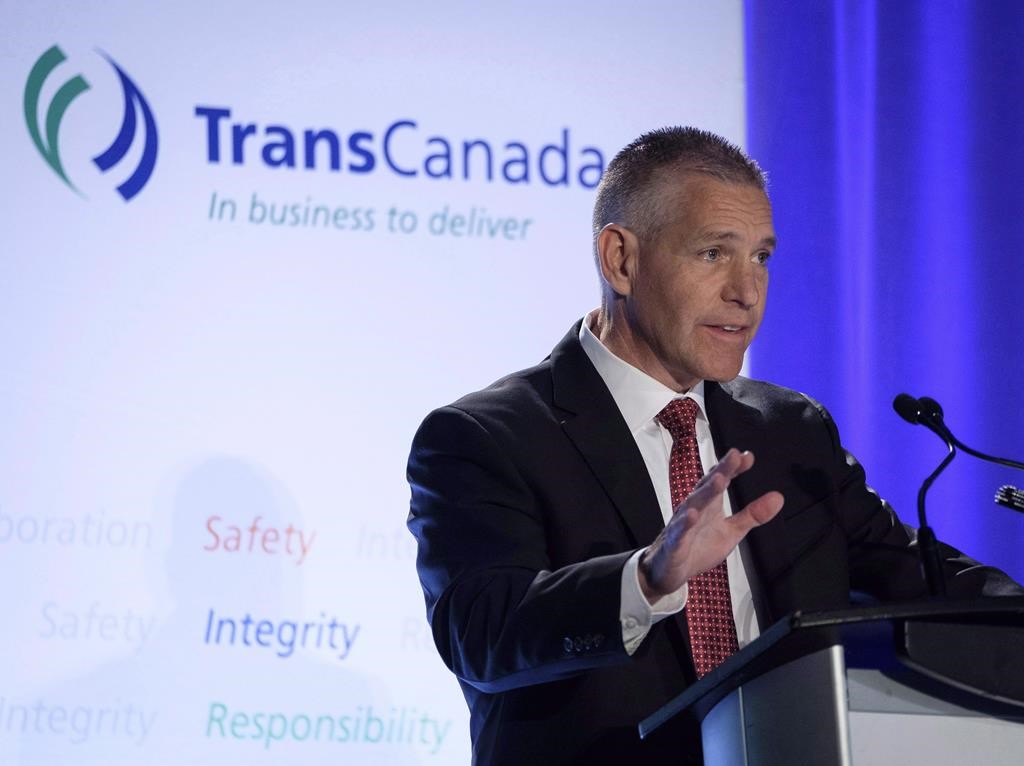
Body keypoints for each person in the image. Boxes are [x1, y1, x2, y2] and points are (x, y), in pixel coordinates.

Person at [406, 127, 1016, 766]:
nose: (747, 292)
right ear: (621, 259)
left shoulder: (790, 429)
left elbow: (916, 574)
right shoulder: (485, 437)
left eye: (761, 257)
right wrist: (646, 577)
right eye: (712, 254)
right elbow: (481, 634)